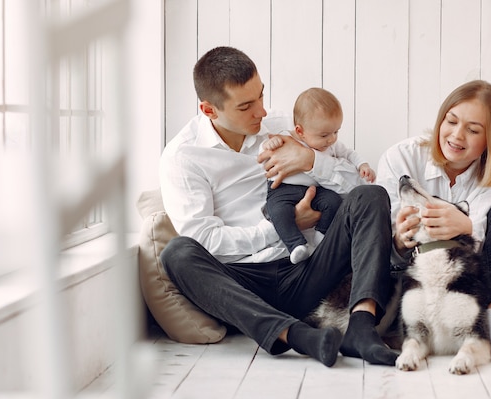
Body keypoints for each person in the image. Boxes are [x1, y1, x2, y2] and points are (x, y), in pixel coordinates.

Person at [159, 46, 398, 368]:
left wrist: (313, 160)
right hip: (244, 286)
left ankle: (361, 327)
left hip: (309, 271)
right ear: (209, 109)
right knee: (178, 253)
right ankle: (296, 336)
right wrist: (283, 228)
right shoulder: (183, 157)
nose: (261, 112)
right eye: (246, 106)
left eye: (260, 96)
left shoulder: (287, 127)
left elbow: (358, 191)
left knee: (371, 194)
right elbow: (207, 240)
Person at [377, 79, 491, 363]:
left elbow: (484, 259)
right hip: (407, 282)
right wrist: (400, 237)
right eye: (451, 121)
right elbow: (385, 234)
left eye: (473, 130)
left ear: (490, 140)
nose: (457, 136)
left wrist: (468, 227)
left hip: (462, 288)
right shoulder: (403, 157)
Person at [260, 87, 376, 264]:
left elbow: (349, 153)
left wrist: (363, 165)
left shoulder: (330, 145)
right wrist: (271, 143)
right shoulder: (284, 138)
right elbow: (264, 153)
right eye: (324, 135)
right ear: (300, 131)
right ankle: (296, 245)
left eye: (336, 132)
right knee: (278, 211)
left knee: (333, 202)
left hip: (315, 190)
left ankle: (321, 235)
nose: (331, 139)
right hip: (282, 190)